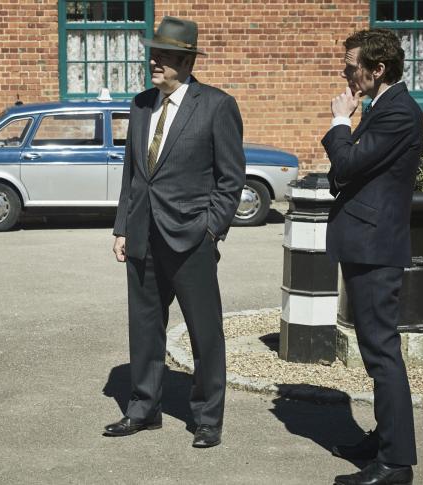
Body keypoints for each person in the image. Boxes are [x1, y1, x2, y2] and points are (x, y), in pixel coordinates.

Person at [107, 16, 246, 449]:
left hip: (192, 239)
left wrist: (211, 229)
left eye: (163, 55)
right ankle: (143, 408)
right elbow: (134, 172)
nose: (153, 61)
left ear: (186, 61)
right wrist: (122, 227)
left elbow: (231, 178)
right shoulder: (141, 103)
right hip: (143, 234)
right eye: (153, 53)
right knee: (145, 327)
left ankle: (207, 418)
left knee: (205, 331)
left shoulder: (217, 105)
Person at [322, 29, 423, 485]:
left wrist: (340, 121)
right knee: (374, 350)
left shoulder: (399, 111)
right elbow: (350, 170)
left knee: (382, 353)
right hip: (365, 241)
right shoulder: (385, 108)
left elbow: (346, 165)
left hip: (375, 246)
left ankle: (396, 463)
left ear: (377, 69)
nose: (345, 72)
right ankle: (385, 439)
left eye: (351, 64)